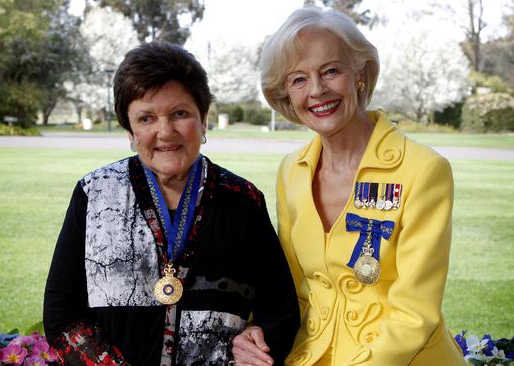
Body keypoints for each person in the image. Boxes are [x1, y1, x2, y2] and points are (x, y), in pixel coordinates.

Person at [232, 7, 466, 366]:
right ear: (286, 95)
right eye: (298, 79)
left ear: (360, 73)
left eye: (331, 70)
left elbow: (414, 315)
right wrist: (257, 329)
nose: (317, 91)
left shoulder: (424, 169)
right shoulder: (290, 172)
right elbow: (290, 290)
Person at [43, 41, 299, 366]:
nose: (165, 132)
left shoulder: (242, 200)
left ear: (204, 120)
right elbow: (61, 313)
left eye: (180, 113)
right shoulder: (94, 194)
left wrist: (259, 338)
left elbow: (280, 310)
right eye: (146, 118)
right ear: (129, 129)